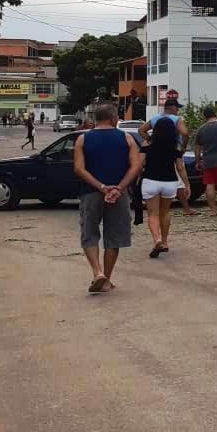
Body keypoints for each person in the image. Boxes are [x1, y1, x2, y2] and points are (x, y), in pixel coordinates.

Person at [73, 104, 141, 295]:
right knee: (114, 237)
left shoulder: (82, 139)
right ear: (114, 119)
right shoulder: (127, 138)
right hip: (118, 195)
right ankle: (107, 279)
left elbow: (79, 169)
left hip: (90, 193)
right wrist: (119, 187)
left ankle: (97, 273)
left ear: (95, 119)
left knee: (89, 233)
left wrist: (101, 187)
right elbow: (135, 167)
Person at [140, 116, 189, 257]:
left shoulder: (147, 144)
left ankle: (157, 239)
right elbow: (180, 168)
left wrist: (137, 176)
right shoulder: (175, 146)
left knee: (153, 214)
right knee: (165, 212)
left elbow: (140, 164)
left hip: (151, 181)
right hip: (170, 183)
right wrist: (186, 184)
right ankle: (166, 242)